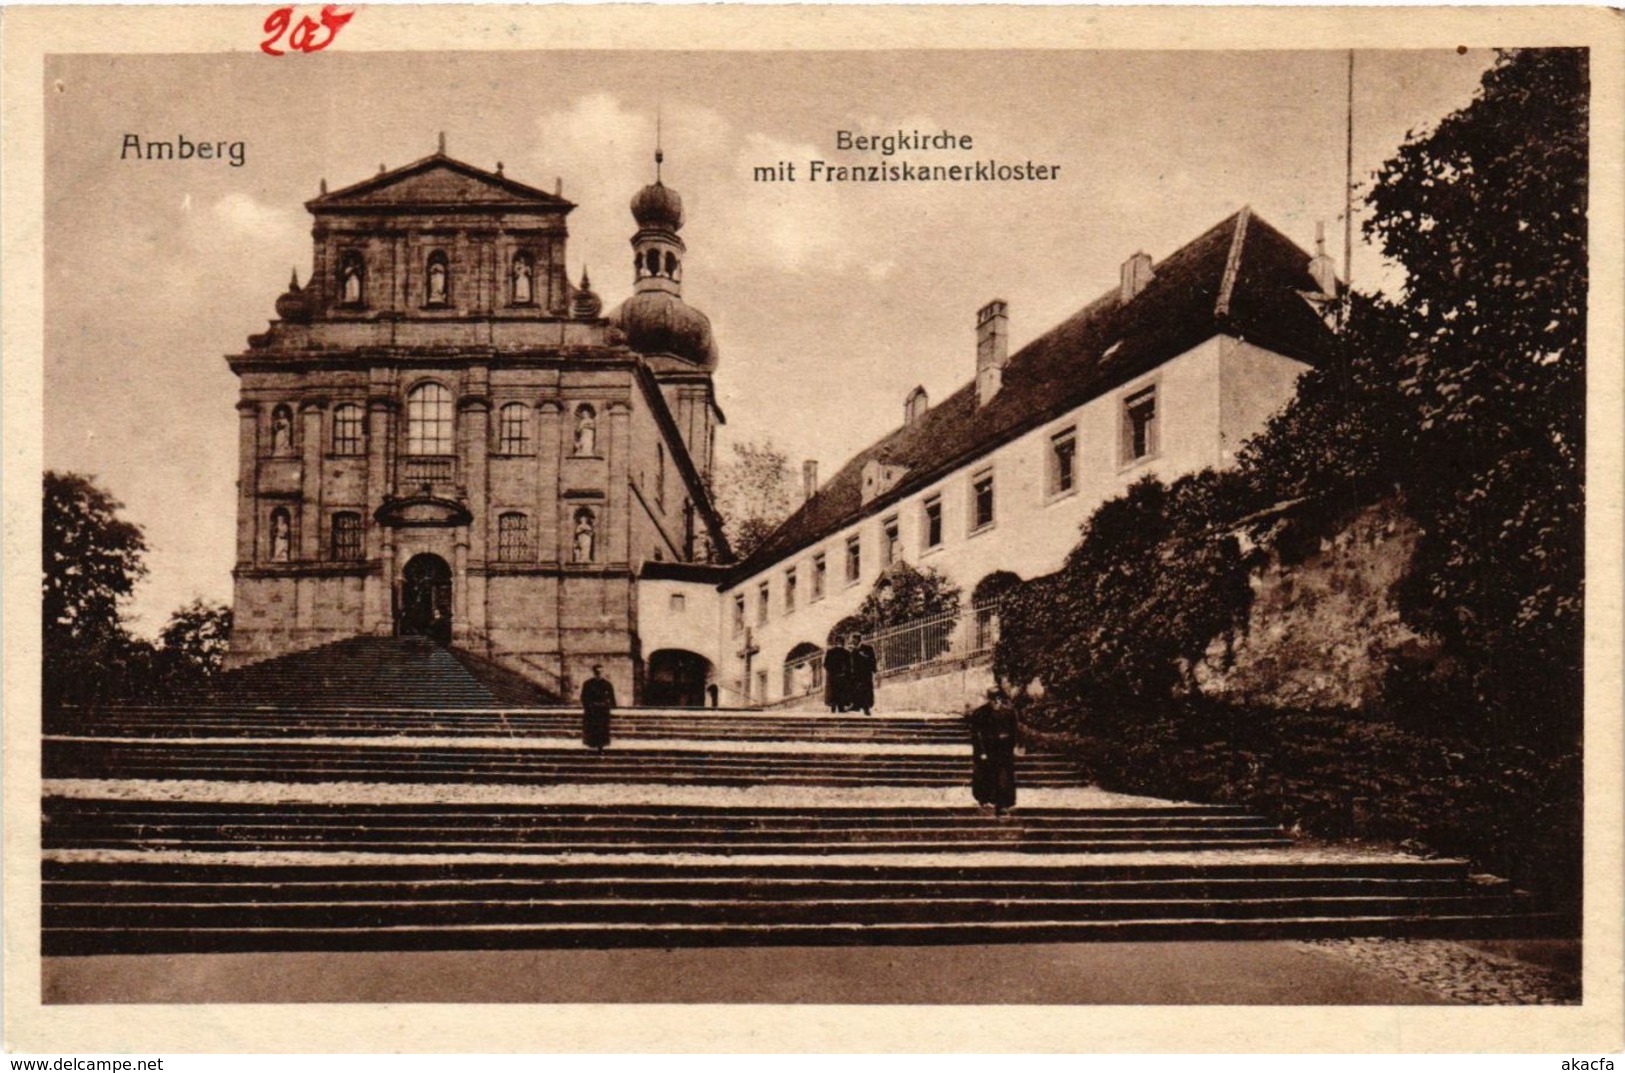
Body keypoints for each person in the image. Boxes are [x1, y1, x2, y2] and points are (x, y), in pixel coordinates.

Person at [968, 686, 1018, 815]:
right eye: (993, 699)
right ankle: (985, 801)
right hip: (987, 750)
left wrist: (1016, 745)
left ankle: (1003, 804)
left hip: (1004, 751)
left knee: (1004, 778)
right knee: (986, 776)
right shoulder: (980, 713)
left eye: (999, 698)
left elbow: (1015, 732)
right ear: (989, 700)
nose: (996, 702)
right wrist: (981, 751)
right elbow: (976, 734)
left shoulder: (1009, 713)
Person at [580, 664, 615, 750]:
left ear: (603, 672)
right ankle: (591, 744)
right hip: (592, 709)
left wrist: (609, 706)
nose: (599, 673)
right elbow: (583, 697)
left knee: (602, 728)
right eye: (597, 672)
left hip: (602, 710)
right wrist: (588, 706)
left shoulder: (607, 684)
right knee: (592, 727)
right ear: (594, 672)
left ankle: (601, 745)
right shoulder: (588, 684)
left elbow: (611, 697)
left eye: (600, 672)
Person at [847, 633, 877, 716]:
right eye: (851, 640)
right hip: (855, 674)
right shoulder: (852, 650)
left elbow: (872, 660)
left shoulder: (868, 648)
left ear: (858, 640)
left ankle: (866, 708)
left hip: (865, 674)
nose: (852, 641)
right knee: (855, 690)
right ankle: (855, 705)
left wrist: (874, 671)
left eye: (853, 640)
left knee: (865, 691)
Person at [822, 641, 851, 713]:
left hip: (833, 676)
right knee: (841, 692)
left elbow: (825, 664)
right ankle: (841, 708)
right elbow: (849, 666)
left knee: (834, 692)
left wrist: (831, 671)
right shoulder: (846, 652)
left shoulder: (830, 652)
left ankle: (834, 708)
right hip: (842, 675)